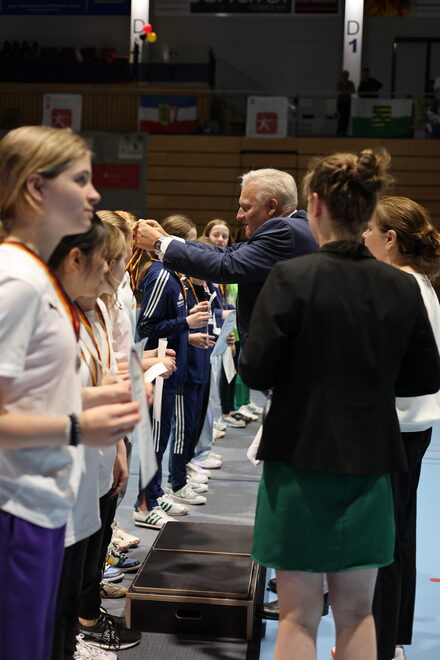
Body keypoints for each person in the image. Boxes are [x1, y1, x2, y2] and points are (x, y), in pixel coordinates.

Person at [239, 149, 440, 660]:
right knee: (358, 614)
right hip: (372, 463)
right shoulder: (402, 287)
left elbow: (255, 371)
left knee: (297, 616)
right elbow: (424, 378)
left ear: (314, 206)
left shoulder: (291, 277)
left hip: (298, 462)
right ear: (368, 209)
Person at [0, 126, 140, 660]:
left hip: (40, 503)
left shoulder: (36, 277)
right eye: (81, 180)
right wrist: (78, 426)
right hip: (15, 507)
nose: (95, 194)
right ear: (36, 189)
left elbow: (30, 396)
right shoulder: (17, 280)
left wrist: (96, 402)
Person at [363, 196, 440, 660]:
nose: (364, 238)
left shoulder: (395, 286)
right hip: (414, 426)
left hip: (392, 428)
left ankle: (376, 644)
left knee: (381, 541)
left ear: (390, 239)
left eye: (370, 230)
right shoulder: (423, 285)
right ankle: (389, 639)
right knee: (399, 536)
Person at [133, 168, 318, 342]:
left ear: (271, 207)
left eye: (245, 207)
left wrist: (159, 243)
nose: (238, 216)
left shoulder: (283, 230)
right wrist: (168, 239)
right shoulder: (300, 226)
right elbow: (230, 252)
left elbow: (226, 265)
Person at [336, 70, 355, 136]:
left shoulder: (350, 83)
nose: (345, 76)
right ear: (342, 76)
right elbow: (338, 91)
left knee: (346, 117)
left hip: (347, 102)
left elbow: (352, 91)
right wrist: (346, 91)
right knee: (340, 116)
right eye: (344, 75)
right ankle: (339, 130)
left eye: (346, 75)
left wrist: (344, 91)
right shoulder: (339, 83)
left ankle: (345, 130)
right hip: (341, 102)